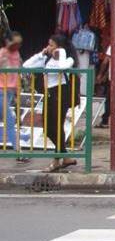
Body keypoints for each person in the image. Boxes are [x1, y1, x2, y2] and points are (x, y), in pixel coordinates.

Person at [23, 34, 78, 172]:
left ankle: (56, 161)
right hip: (49, 94)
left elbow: (61, 68)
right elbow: (26, 65)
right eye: (49, 44)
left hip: (61, 94)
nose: (49, 47)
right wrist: (41, 54)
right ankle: (65, 157)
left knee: (56, 126)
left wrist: (60, 54)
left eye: (52, 45)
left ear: (60, 47)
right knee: (48, 128)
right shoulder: (47, 59)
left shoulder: (68, 59)